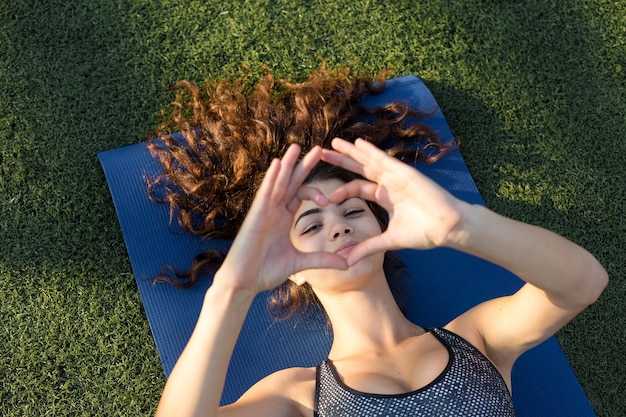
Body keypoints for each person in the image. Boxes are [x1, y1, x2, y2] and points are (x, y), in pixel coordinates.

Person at [151, 69, 608, 417]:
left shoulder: (477, 339)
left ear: (383, 231)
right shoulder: (299, 396)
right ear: (292, 269)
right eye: (310, 226)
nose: (338, 227)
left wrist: (463, 225)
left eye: (352, 211)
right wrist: (232, 289)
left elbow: (584, 283)